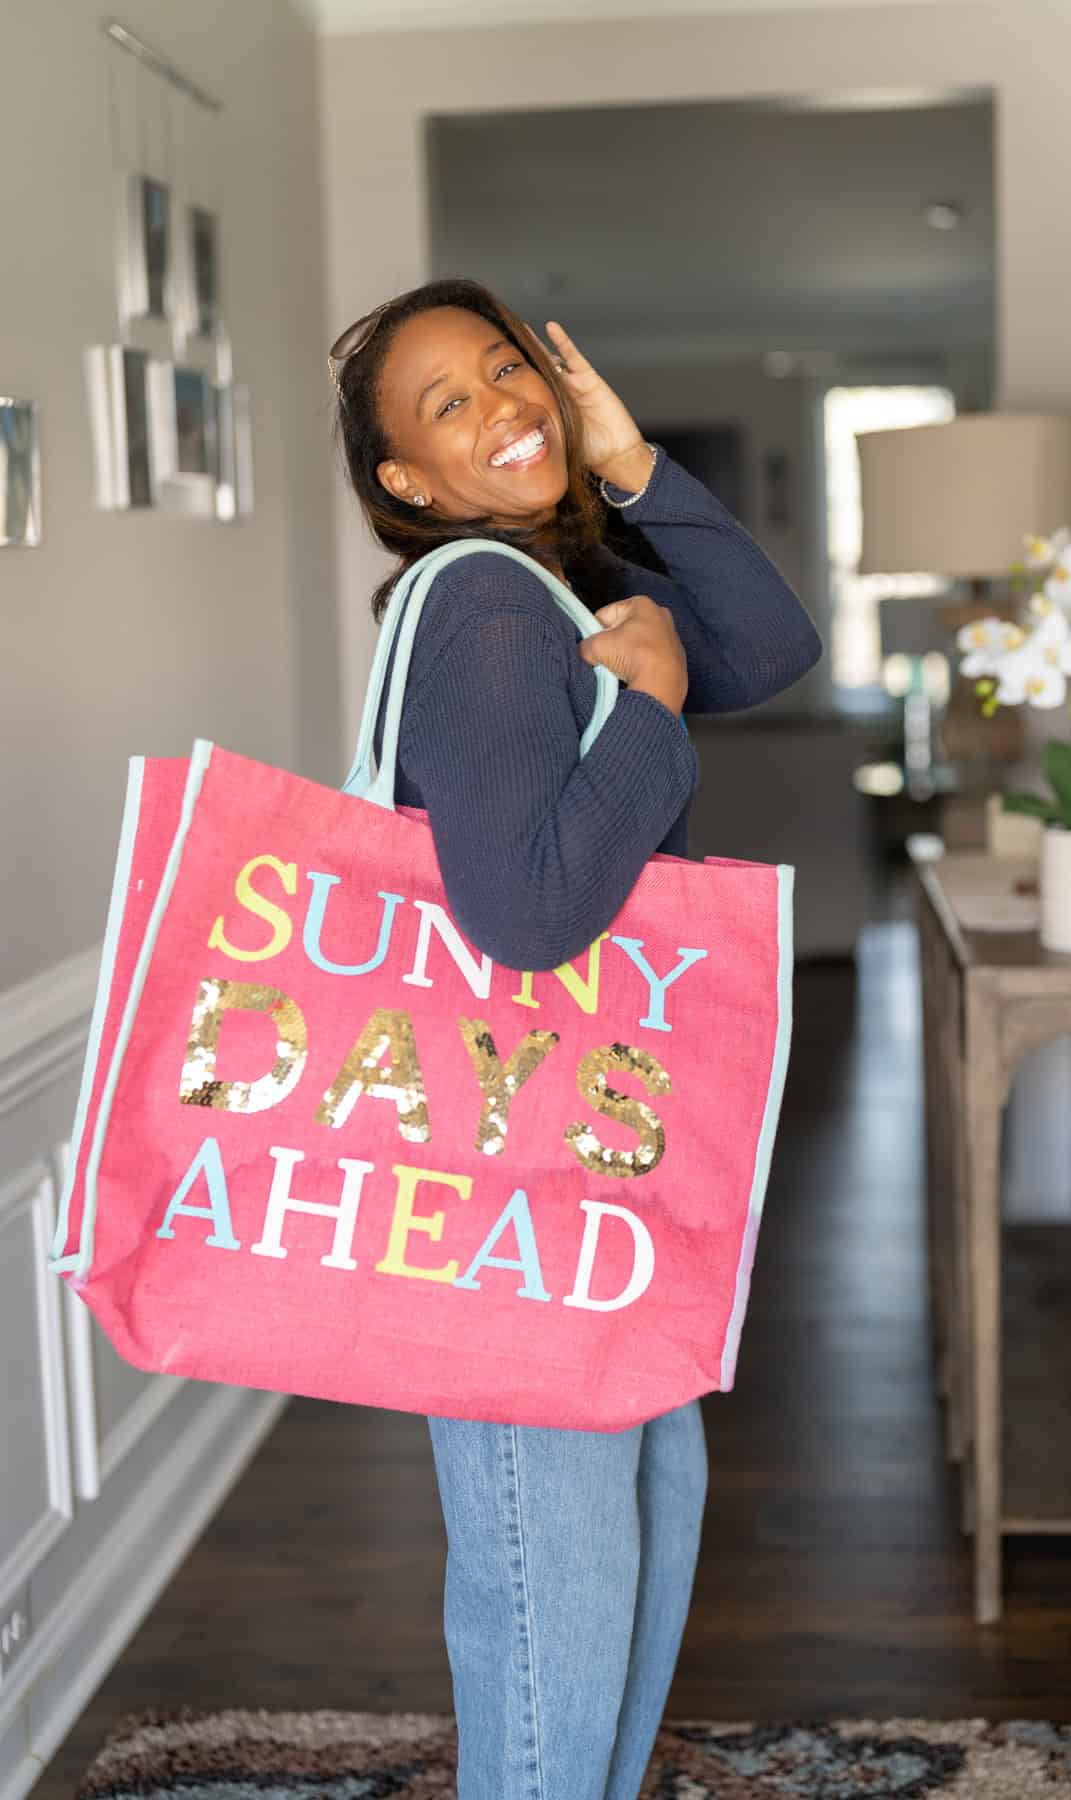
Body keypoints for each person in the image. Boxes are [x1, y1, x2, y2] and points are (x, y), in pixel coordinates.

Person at [329, 276, 822, 1800]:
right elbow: (530, 912)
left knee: (620, 1572)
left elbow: (770, 642)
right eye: (450, 405)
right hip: (524, 1192)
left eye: (506, 369)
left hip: (584, 1163)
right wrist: (653, 710)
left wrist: (627, 461)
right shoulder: (482, 605)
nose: (502, 407)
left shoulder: (558, 587)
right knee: (557, 1611)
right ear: (408, 481)